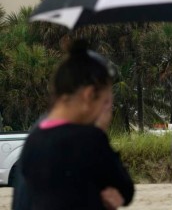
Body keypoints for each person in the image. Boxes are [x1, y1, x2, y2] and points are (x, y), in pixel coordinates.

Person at [19, 40, 134, 210]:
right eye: (104, 102)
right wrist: (99, 131)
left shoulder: (33, 140)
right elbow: (126, 190)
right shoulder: (90, 139)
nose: (105, 110)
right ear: (89, 95)